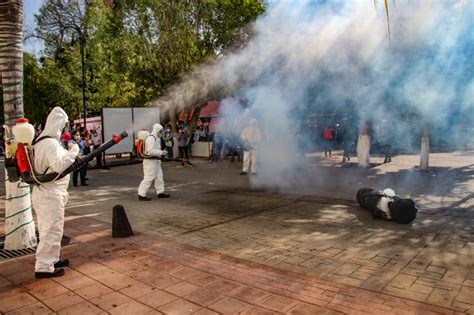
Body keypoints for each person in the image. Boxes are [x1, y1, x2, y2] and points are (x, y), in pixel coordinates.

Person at [32, 107, 80, 278]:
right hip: (49, 195)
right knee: (50, 230)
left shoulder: (41, 141)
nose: (66, 129)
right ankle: (44, 267)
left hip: (48, 193)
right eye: (65, 125)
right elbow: (60, 165)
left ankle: (52, 259)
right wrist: (74, 151)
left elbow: (55, 162)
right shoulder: (50, 143)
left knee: (54, 229)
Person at [138, 123, 170, 201]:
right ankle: (141, 194)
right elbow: (150, 151)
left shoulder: (157, 138)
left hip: (156, 161)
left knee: (159, 177)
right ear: (157, 131)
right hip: (150, 162)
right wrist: (161, 152)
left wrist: (161, 153)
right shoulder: (151, 138)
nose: (161, 133)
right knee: (148, 178)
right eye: (160, 131)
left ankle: (160, 192)